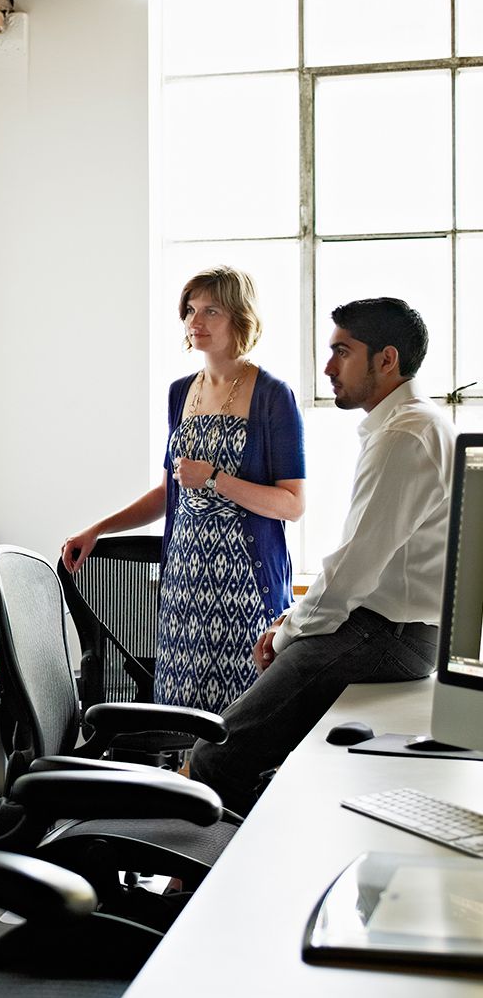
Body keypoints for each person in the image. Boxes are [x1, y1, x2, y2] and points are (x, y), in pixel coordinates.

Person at [190, 297, 456, 816]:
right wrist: (295, 621)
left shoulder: (403, 436)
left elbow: (356, 565)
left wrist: (287, 632)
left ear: (386, 359)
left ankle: (195, 890)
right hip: (399, 632)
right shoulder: (418, 425)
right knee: (261, 751)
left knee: (216, 754)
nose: (329, 367)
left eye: (342, 352)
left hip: (385, 635)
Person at [62, 266, 305, 714]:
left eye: (211, 310)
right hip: (184, 586)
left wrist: (216, 479)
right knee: (182, 715)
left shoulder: (273, 395)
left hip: (246, 588)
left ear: (239, 316)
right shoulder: (180, 393)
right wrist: (100, 528)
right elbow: (167, 493)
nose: (196, 321)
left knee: (244, 722)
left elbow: (291, 504)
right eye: (190, 310)